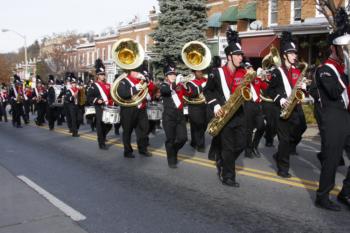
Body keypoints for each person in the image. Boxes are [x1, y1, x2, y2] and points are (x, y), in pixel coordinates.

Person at [314, 8, 350, 211]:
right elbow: (335, 92)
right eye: (344, 48)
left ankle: (346, 192)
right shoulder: (325, 69)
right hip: (333, 117)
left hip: (346, 116)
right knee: (332, 159)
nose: (347, 52)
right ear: (334, 49)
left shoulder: (344, 69)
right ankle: (322, 196)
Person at [204, 28, 247, 187]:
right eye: (237, 55)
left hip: (240, 114)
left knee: (242, 144)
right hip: (224, 115)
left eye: (241, 54)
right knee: (228, 147)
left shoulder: (243, 72)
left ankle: (223, 160)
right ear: (229, 57)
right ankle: (228, 176)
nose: (240, 57)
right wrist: (215, 106)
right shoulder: (217, 73)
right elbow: (207, 91)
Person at [266, 31, 307, 178]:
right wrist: (280, 99)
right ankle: (283, 168)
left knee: (301, 129)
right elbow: (269, 90)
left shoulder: (297, 70)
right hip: (282, 110)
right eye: (291, 53)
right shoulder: (277, 72)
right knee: (283, 140)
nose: (294, 55)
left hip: (296, 109)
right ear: (284, 55)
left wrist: (304, 88)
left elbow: (301, 89)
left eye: (295, 52)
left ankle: (279, 154)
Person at [117, 66, 155, 158]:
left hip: (141, 109)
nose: (138, 73)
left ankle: (143, 149)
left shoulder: (141, 81)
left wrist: (147, 81)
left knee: (144, 129)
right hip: (128, 109)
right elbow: (122, 93)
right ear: (131, 71)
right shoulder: (124, 81)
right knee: (127, 131)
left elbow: (152, 89)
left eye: (138, 71)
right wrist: (135, 88)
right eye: (136, 71)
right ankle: (128, 151)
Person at [160, 63, 188, 168]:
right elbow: (165, 91)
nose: (173, 76)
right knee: (170, 139)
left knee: (183, 138)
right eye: (170, 74)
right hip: (169, 116)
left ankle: (174, 151)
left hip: (180, 116)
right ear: (166, 76)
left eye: (174, 74)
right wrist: (175, 84)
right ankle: (171, 160)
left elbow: (190, 93)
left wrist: (186, 85)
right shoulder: (164, 85)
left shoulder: (179, 85)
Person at [87, 59, 113, 149]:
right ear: (97, 76)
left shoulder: (108, 85)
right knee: (100, 124)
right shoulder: (94, 86)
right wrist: (96, 100)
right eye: (101, 75)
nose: (103, 76)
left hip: (108, 107)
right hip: (99, 107)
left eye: (103, 74)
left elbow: (111, 96)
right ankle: (101, 143)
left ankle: (103, 137)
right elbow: (89, 97)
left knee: (109, 125)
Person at [244, 63, 267, 158]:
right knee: (248, 129)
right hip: (248, 105)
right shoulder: (244, 80)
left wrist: (264, 78)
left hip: (257, 105)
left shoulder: (257, 79)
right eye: (248, 68)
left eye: (251, 67)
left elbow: (266, 88)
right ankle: (248, 150)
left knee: (262, 126)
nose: (250, 69)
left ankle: (254, 146)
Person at [186, 69, 208, 153]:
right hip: (195, 106)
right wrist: (202, 86)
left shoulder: (206, 80)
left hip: (205, 105)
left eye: (201, 71)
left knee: (203, 125)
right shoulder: (190, 83)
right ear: (194, 73)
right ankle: (200, 145)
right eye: (198, 72)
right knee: (198, 125)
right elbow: (192, 93)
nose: (200, 73)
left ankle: (194, 142)